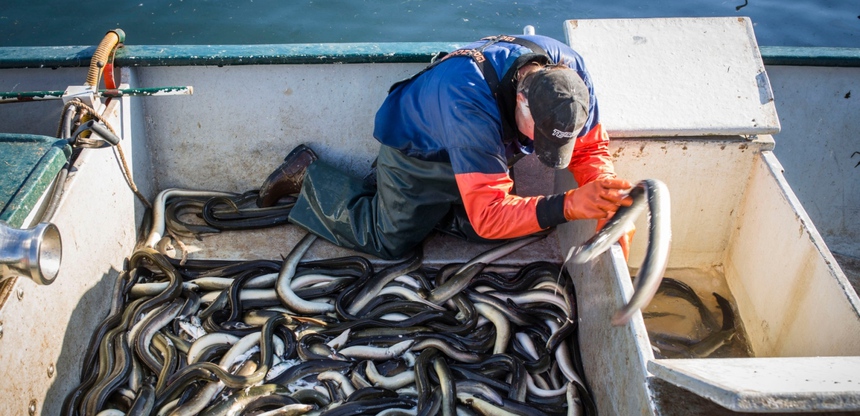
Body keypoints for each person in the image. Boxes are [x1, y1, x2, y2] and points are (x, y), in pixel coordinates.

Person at [257, 34, 633, 260]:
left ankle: (431, 207)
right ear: (521, 101)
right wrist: (569, 204)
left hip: (482, 150)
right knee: (388, 241)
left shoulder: (569, 76)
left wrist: (606, 193)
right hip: (420, 149)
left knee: (515, 224)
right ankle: (308, 175)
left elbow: (588, 150)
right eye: (540, 138)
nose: (541, 150)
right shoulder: (468, 100)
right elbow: (490, 215)